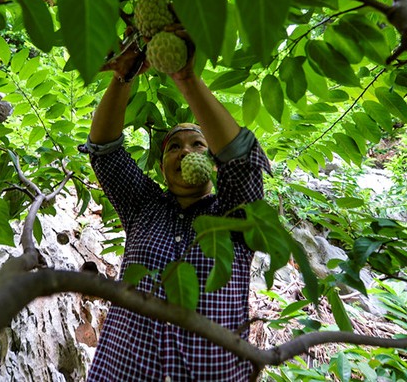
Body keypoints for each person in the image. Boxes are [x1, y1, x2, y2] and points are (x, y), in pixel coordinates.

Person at [80, 32, 271, 381]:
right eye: (174, 147)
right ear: (163, 167)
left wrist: (186, 78)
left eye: (198, 144)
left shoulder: (236, 215)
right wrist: (126, 75)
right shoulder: (143, 206)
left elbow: (242, 161)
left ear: (215, 164)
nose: (185, 151)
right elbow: (104, 151)